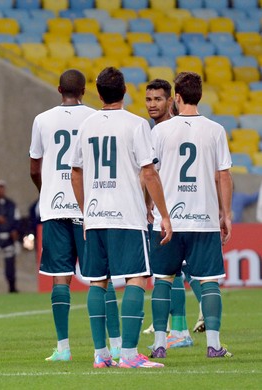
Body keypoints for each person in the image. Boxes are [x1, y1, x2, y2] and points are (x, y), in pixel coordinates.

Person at [70, 67, 173, 369]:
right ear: (125, 91)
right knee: (137, 278)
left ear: (98, 94)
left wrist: (85, 210)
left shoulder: (87, 124)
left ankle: (101, 355)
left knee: (97, 282)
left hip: (96, 216)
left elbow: (76, 171)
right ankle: (129, 354)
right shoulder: (137, 124)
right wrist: (164, 214)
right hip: (127, 215)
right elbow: (149, 171)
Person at [29, 69, 122, 362]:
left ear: (59, 89)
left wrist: (46, 190)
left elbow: (34, 167)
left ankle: (63, 348)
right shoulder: (96, 118)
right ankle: (116, 345)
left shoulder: (42, 120)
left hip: (54, 207)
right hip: (89, 208)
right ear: (85, 90)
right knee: (100, 278)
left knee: (60, 278)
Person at [148, 71, 233, 359]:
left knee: (162, 278)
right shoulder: (215, 130)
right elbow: (223, 175)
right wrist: (226, 214)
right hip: (203, 217)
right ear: (199, 96)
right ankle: (214, 345)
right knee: (209, 281)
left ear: (178, 98)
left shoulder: (160, 131)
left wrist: (151, 208)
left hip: (168, 219)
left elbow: (149, 174)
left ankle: (160, 344)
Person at [142, 79, 203, 345]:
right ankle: (176, 323)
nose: (152, 104)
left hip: (173, 209)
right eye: (148, 99)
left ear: (171, 101)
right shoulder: (155, 130)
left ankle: (179, 330)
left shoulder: (166, 131)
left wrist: (149, 204)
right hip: (170, 207)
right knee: (180, 269)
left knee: (172, 270)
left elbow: (151, 174)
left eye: (158, 99)